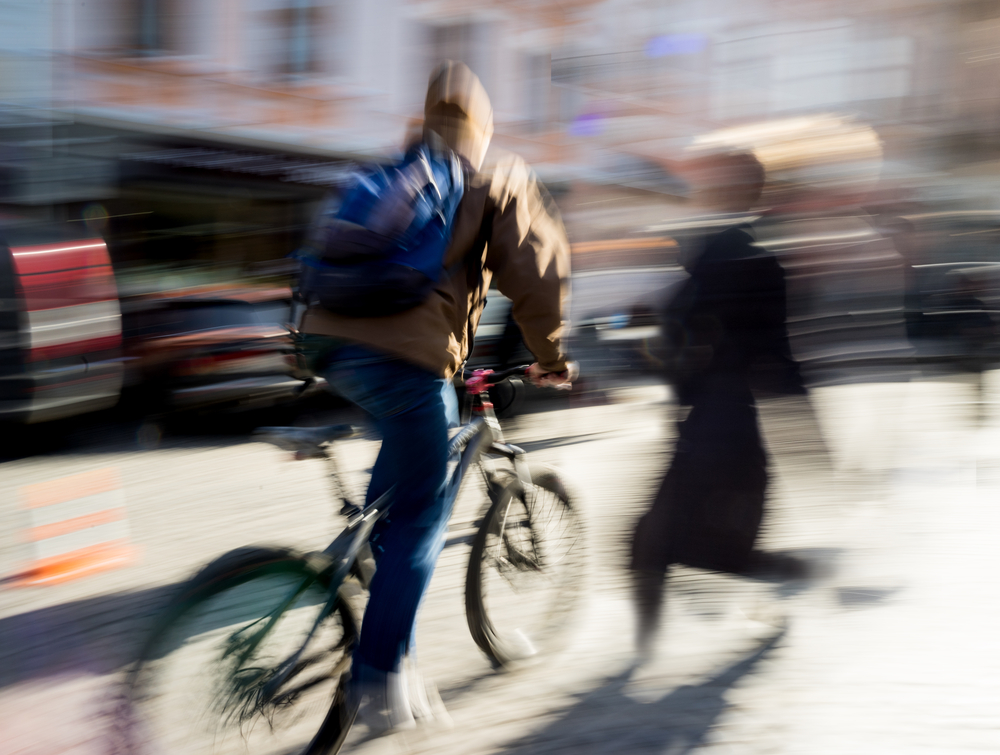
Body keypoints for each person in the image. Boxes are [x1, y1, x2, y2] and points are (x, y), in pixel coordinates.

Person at [298, 61, 573, 732]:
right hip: (408, 362)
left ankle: (389, 633)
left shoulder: (393, 171)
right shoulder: (491, 176)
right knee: (423, 513)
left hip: (330, 346)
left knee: (394, 500)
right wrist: (551, 358)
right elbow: (537, 270)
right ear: (482, 128)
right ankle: (377, 678)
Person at [631, 151, 805, 659]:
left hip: (723, 431)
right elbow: (676, 333)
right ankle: (643, 653)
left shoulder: (734, 257)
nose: (705, 190)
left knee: (675, 546)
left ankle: (644, 654)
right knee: (671, 545)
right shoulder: (714, 252)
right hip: (710, 426)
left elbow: (774, 357)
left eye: (715, 182)